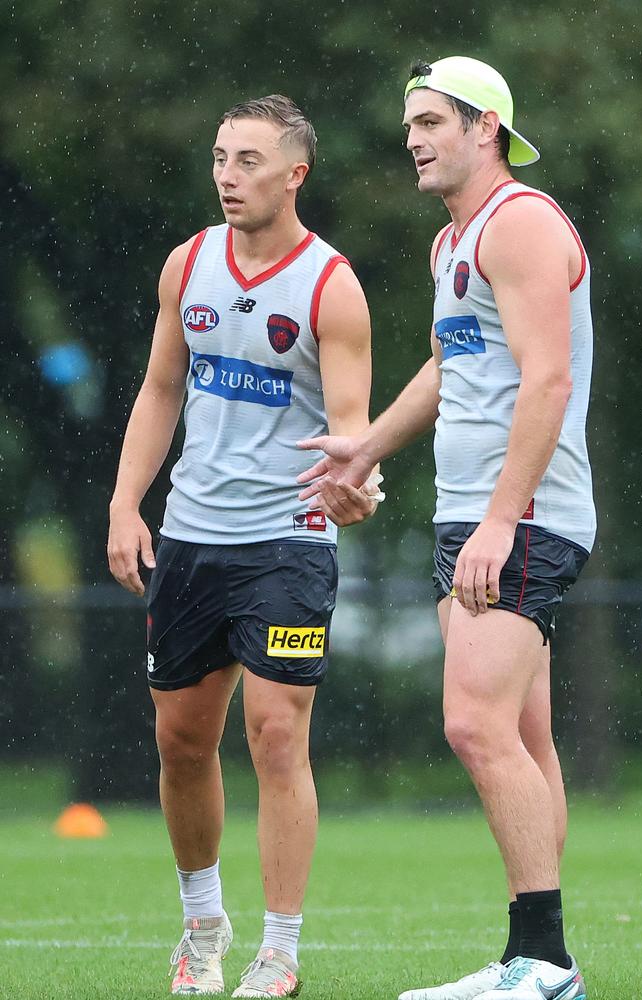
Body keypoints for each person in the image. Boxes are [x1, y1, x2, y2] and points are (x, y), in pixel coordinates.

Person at [297, 56, 595, 1000]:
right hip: (470, 513)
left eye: (431, 121)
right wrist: (365, 449)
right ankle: (547, 963)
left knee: (472, 725)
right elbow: (446, 364)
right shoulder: (451, 243)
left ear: (486, 128)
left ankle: (540, 962)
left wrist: (504, 522)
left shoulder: (524, 226)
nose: (413, 139)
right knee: (523, 736)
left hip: (520, 517)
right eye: (409, 125)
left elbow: (546, 379)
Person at [107, 94, 381, 997]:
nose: (229, 176)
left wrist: (352, 491)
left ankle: (280, 950)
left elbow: (351, 432)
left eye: (250, 161)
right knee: (181, 743)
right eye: (221, 157)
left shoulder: (330, 286)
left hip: (287, 546)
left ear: (295, 173)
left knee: (275, 736)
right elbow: (158, 391)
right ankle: (201, 925)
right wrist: (124, 503)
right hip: (189, 540)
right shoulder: (187, 264)